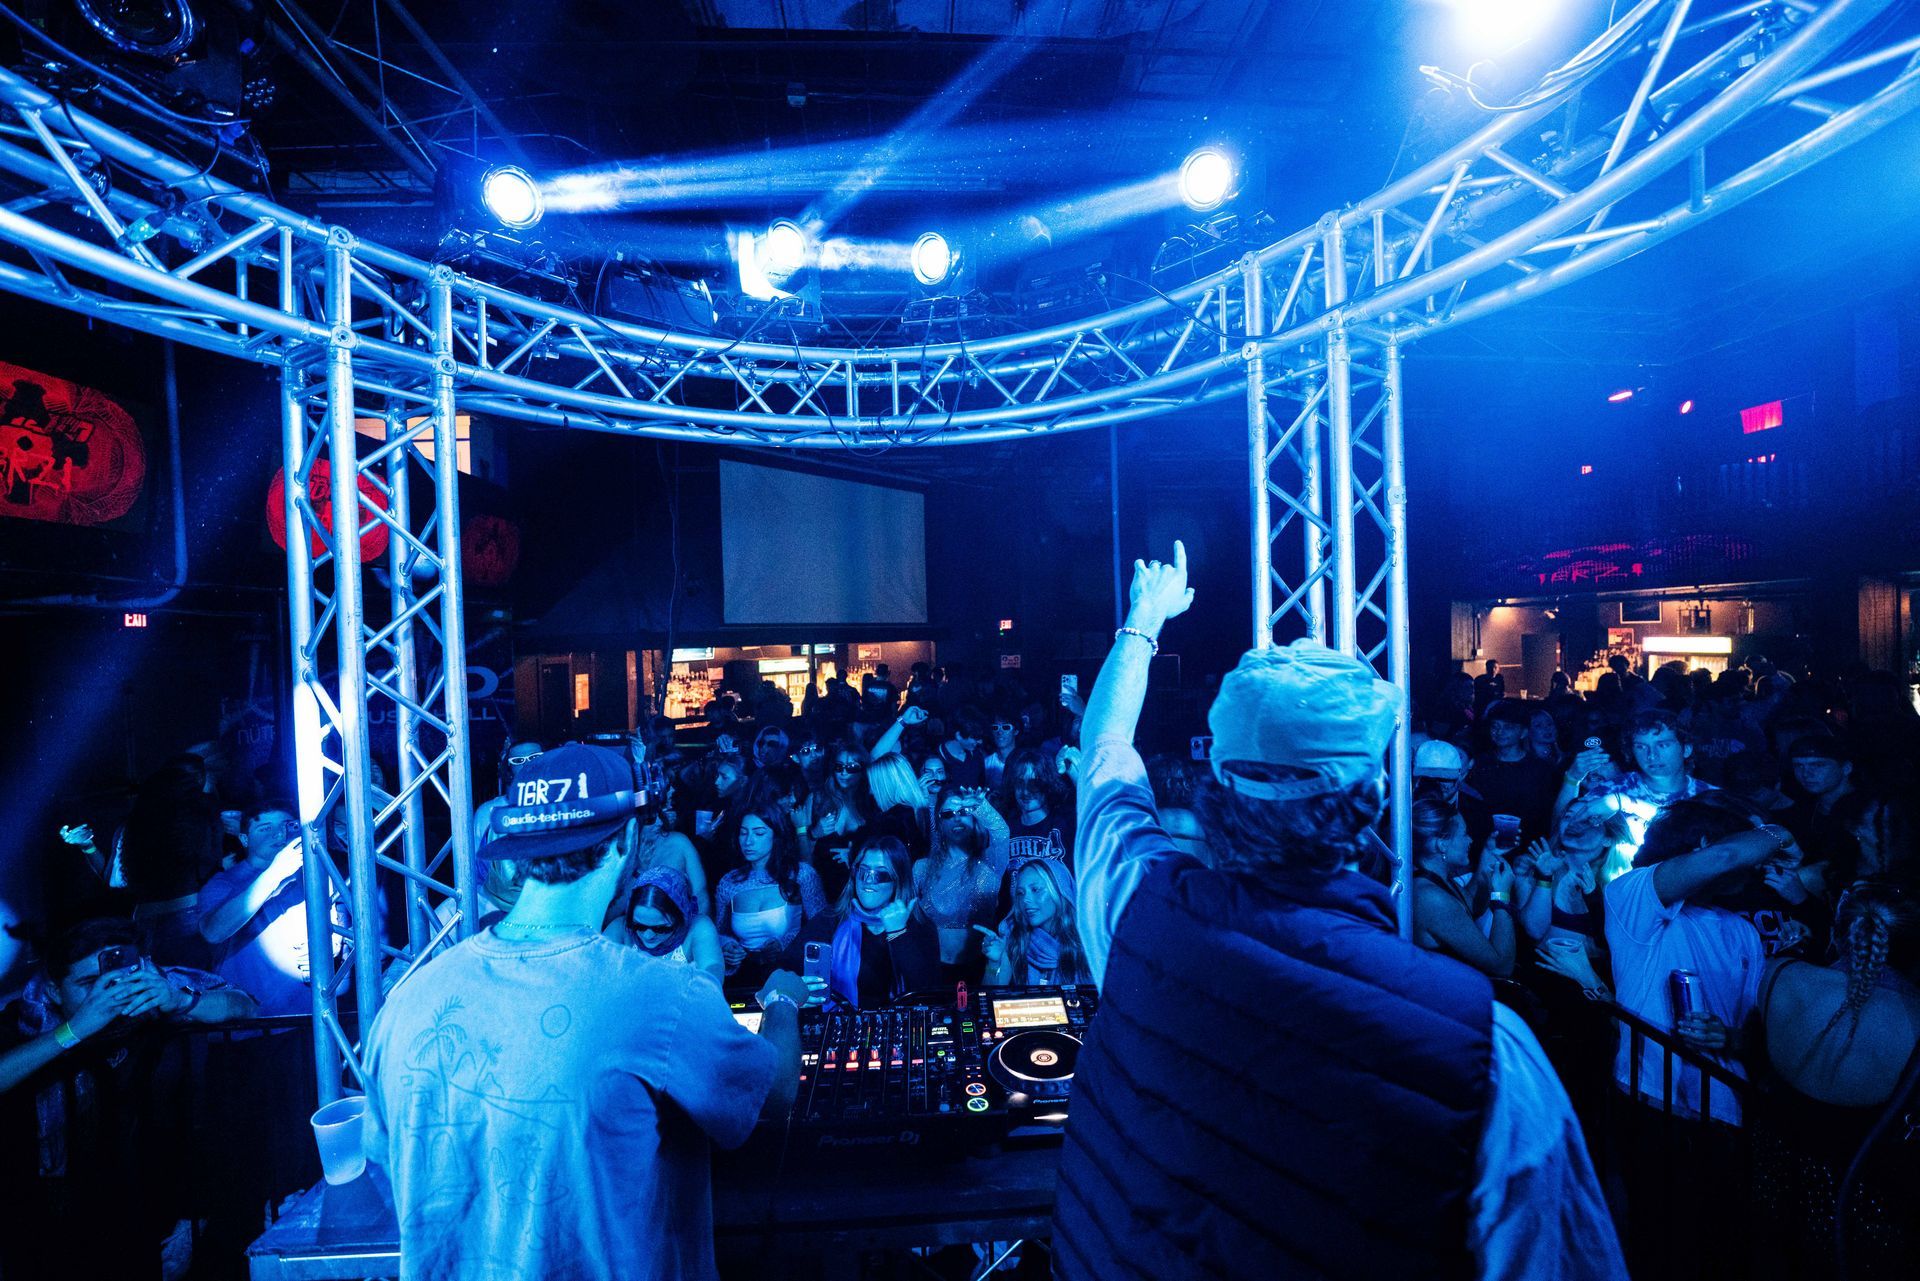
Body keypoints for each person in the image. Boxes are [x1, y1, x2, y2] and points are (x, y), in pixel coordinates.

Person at [1053, 541, 1624, 1281]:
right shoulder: (1481, 1049)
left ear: (1213, 795)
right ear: (1373, 806)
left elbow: (1104, 749)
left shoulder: (1140, 913)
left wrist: (1145, 617)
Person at [361, 744, 807, 1281]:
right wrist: (783, 1002)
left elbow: (383, 1164)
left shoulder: (408, 1002)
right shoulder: (659, 995)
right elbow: (774, 1090)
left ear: (520, 847)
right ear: (626, 841)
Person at [0, 919, 255, 1278]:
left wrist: (178, 999)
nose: (108, 995)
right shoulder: (28, 1018)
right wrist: (75, 1030)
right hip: (54, 1220)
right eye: (89, 984)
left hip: (151, 1211)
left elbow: (244, 1006)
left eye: (116, 980)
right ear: (55, 991)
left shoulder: (153, 990)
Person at [1744, 883, 1920, 1276]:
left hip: (1771, 1182)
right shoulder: (1914, 1017)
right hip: (1859, 1206)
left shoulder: (1779, 975)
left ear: (1836, 932)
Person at [1603, 795, 1786, 1125]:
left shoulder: (1742, 931)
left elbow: (1758, 1034)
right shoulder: (1633, 894)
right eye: (1751, 852)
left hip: (1726, 1108)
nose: (1757, 864)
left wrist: (1729, 1038)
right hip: (1652, 1102)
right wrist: (1777, 833)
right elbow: (1727, 855)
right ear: (1705, 844)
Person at [196, 800, 341, 1015]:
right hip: (250, 1017)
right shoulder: (224, 883)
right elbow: (213, 931)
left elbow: (334, 927)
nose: (279, 835)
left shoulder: (312, 876)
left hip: (306, 1012)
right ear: (245, 839)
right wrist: (276, 872)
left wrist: (330, 946)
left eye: (288, 825)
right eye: (265, 828)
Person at [1557, 709, 1716, 857]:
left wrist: (1624, 803)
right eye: (1641, 746)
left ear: (1686, 749)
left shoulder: (1711, 798)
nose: (1652, 755)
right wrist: (1572, 779)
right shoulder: (1611, 790)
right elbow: (1559, 840)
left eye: (1662, 745)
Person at [712, 804, 829, 985]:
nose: (748, 841)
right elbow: (718, 931)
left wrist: (783, 944)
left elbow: (822, 928)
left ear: (776, 836)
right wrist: (728, 946)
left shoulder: (801, 875)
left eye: (759, 833)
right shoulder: (729, 883)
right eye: (743, 833)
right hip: (743, 978)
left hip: (790, 975)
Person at [1409, 794, 1520, 979]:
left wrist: (1488, 855)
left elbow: (1471, 907)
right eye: (1464, 834)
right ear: (1442, 844)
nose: (1470, 840)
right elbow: (1502, 966)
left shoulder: (1434, 878)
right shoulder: (1430, 897)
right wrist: (1501, 897)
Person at [826, 836, 943, 1008]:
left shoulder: (920, 925)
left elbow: (927, 992)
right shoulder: (835, 917)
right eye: (863, 871)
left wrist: (898, 934)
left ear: (897, 880)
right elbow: (789, 965)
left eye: (879, 874)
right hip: (845, 1024)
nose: (868, 880)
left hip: (901, 1028)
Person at [913, 785, 1010, 977]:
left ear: (974, 818)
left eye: (964, 812)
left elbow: (1002, 833)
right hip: (930, 968)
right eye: (948, 814)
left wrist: (982, 807)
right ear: (939, 823)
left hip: (978, 968)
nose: (957, 818)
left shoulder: (990, 863)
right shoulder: (922, 868)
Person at [1460, 700, 1560, 846]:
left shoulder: (1540, 769)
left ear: (1523, 732)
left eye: (1508, 727)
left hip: (1525, 845)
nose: (1500, 732)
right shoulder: (1479, 763)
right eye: (1495, 726)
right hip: (1483, 842)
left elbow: (1544, 815)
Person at [981, 858, 1090, 986]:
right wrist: (993, 963)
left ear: (1060, 891)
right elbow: (992, 996)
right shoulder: (1013, 935)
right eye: (1020, 893)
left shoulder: (1088, 941)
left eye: (1035, 890)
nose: (1025, 900)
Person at [614, 867, 725, 981]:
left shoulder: (698, 927)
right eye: (639, 926)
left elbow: (711, 972)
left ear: (682, 915)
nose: (648, 936)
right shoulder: (619, 928)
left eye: (660, 929)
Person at [1002, 748, 1073, 865]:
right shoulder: (1005, 829)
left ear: (1047, 784)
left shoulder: (1064, 824)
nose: (1025, 791)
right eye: (1020, 783)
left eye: (1033, 784)